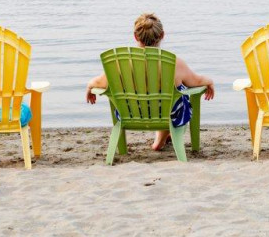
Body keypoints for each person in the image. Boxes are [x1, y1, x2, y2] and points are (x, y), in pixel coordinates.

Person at [85, 13, 215, 150]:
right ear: (162, 35)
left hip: (130, 113)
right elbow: (197, 81)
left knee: (159, 98)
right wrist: (209, 82)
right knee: (178, 94)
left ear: (135, 36)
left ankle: (156, 139)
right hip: (168, 115)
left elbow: (98, 83)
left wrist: (89, 88)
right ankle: (163, 136)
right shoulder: (174, 62)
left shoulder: (119, 62)